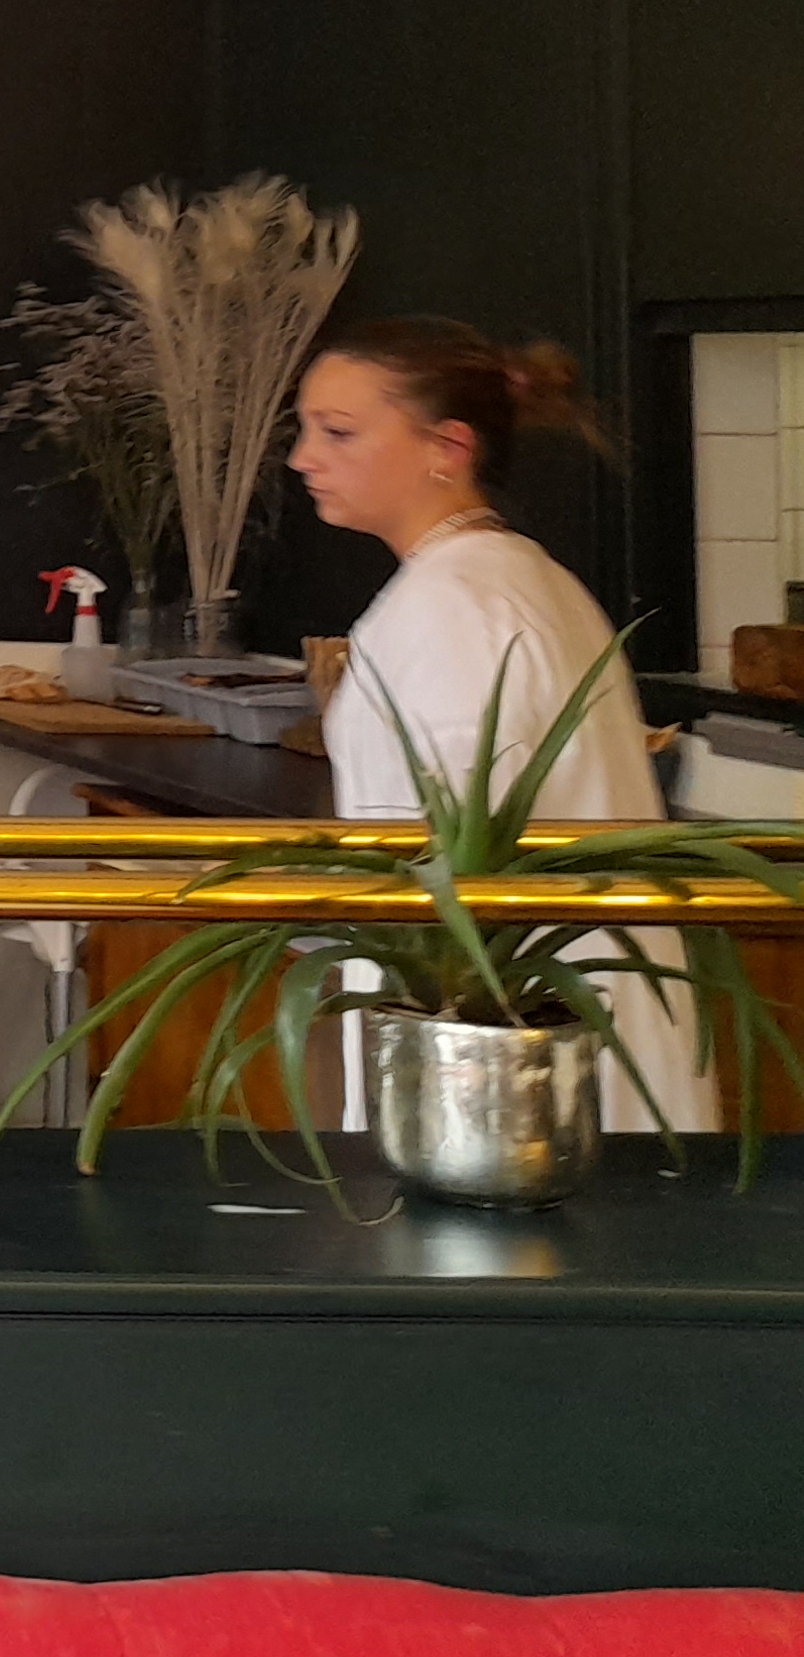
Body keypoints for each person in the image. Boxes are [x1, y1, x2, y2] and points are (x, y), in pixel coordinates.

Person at [287, 315, 699, 1125]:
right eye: (305, 430)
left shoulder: (458, 606)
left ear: (448, 447)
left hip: (508, 1062)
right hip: (545, 1033)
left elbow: (457, 868)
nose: (303, 457)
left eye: (337, 431)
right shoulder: (512, 578)